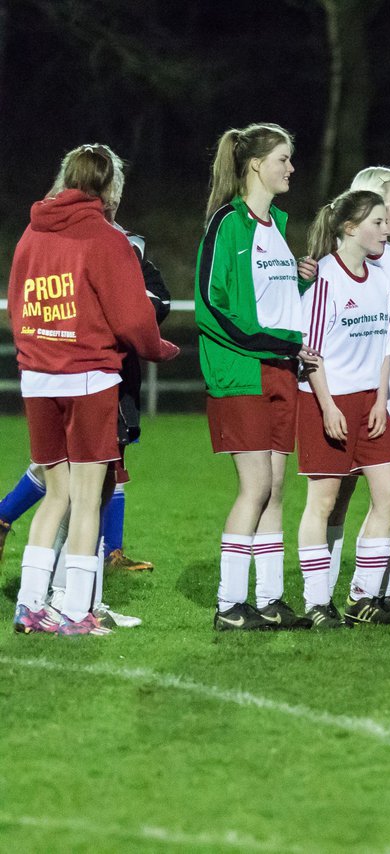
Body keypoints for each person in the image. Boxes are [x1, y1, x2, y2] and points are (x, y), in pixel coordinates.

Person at [8, 143, 178, 635]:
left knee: (55, 493)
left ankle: (31, 605)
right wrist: (159, 349)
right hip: (88, 378)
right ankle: (77, 612)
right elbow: (133, 318)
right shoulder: (104, 238)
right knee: (87, 498)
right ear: (111, 186)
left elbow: (19, 308)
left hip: (38, 378)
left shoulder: (31, 231)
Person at [196, 122, 320, 632]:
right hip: (241, 372)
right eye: (283, 159)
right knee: (255, 488)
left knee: (274, 489)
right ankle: (229, 605)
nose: (291, 168)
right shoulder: (228, 223)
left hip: (279, 370)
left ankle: (268, 598)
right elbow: (211, 306)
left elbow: (262, 296)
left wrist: (296, 277)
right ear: (255, 165)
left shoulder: (274, 227)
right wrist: (277, 343)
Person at [295, 190, 390, 627]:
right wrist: (329, 406)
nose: (385, 229)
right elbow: (310, 352)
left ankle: (361, 597)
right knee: (322, 502)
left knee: (389, 496)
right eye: (377, 221)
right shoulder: (323, 277)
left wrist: (380, 399)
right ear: (350, 228)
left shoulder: (379, 278)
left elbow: (384, 346)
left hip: (369, 404)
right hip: (328, 402)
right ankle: (317, 602)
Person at [322, 167, 390, 620]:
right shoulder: (342, 260)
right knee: (339, 492)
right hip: (354, 389)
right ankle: (322, 590)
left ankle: (380, 588)